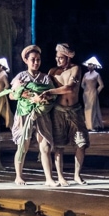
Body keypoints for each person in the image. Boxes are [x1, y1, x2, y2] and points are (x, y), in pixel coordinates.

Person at [42, 44, 90, 186]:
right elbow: (44, 86)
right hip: (58, 110)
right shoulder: (52, 71)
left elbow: (69, 88)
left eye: (61, 58)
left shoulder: (76, 69)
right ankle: (61, 177)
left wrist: (50, 92)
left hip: (75, 110)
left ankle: (77, 175)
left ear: (68, 58)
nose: (58, 60)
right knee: (59, 145)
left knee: (81, 143)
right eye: (56, 57)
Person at [9, 45, 56, 186]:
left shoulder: (45, 78)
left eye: (38, 60)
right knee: (23, 146)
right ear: (26, 60)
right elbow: (12, 95)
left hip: (41, 114)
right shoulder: (20, 77)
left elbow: (53, 95)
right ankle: (18, 176)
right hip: (24, 114)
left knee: (45, 147)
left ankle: (49, 179)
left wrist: (43, 97)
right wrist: (26, 94)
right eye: (33, 59)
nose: (36, 62)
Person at [81, 56, 104, 131]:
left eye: (91, 64)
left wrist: (97, 92)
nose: (89, 66)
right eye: (88, 64)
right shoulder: (86, 74)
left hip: (93, 93)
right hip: (86, 93)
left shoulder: (96, 74)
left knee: (92, 109)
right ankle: (88, 125)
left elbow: (101, 85)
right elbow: (82, 84)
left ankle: (92, 125)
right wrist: (85, 89)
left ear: (94, 66)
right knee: (87, 109)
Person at [0, 57, 13, 130]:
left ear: (1, 66)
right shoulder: (0, 74)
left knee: (4, 112)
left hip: (1, 96)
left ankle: (13, 127)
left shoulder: (4, 74)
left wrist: (2, 92)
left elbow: (7, 85)